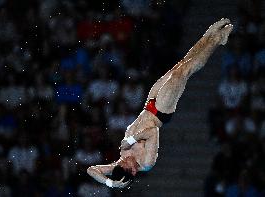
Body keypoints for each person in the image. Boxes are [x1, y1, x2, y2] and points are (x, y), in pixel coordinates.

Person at [87, 18, 233, 188]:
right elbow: (153, 132)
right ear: (133, 171)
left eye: (120, 163)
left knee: (181, 65)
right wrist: (132, 140)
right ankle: (216, 40)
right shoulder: (147, 162)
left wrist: (109, 182)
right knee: (184, 72)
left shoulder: (119, 164)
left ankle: (209, 36)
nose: (123, 159)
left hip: (148, 105)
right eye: (126, 164)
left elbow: (91, 170)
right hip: (160, 111)